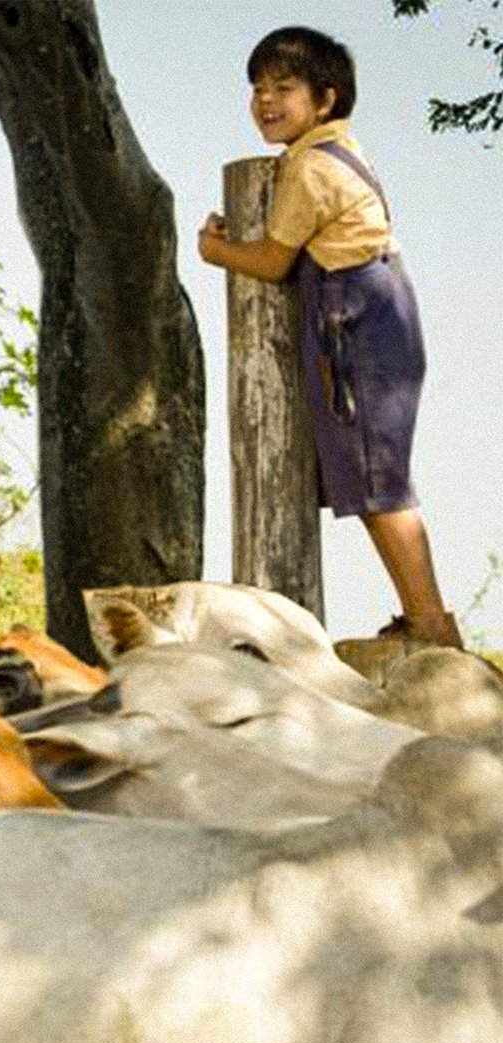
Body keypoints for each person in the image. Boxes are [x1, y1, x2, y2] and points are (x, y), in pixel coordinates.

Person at [198, 25, 461, 648]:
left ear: (325, 99)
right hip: (375, 310)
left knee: (378, 480)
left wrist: (216, 249)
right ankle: (423, 618)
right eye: (258, 88)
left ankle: (430, 625)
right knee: (373, 476)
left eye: (284, 88)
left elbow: (272, 261)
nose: (266, 100)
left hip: (358, 319)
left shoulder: (312, 167)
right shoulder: (330, 153)